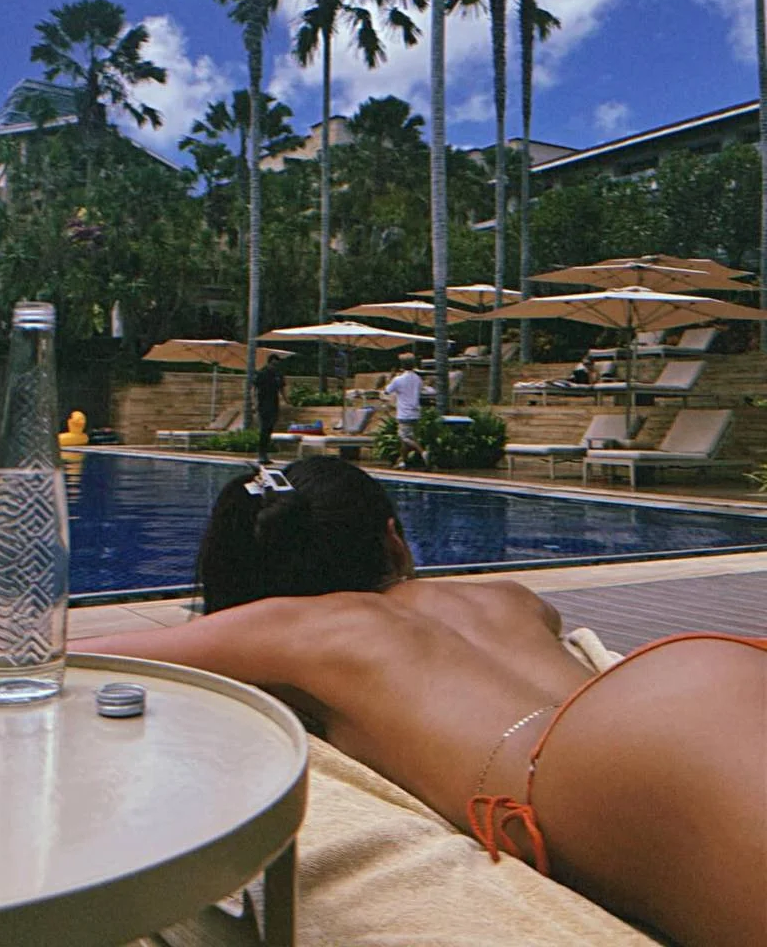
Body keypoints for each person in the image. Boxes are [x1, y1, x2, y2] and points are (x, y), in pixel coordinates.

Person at [81, 458, 766, 947]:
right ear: (392, 540)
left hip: (589, 769)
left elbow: (75, 661)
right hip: (694, 676)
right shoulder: (506, 598)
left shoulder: (293, 628)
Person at [383, 354, 428, 469]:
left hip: (404, 413)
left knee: (404, 437)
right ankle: (402, 462)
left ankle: (422, 452)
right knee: (407, 439)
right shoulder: (417, 379)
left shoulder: (398, 380)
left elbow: (387, 391)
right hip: (416, 412)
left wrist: (391, 377)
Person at [254, 353, 286, 465]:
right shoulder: (262, 373)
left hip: (274, 404)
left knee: (270, 429)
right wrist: (254, 404)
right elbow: (255, 389)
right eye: (273, 364)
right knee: (264, 428)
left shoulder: (278, 374)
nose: (274, 366)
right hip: (263, 404)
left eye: (276, 364)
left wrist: (287, 401)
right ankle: (261, 453)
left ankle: (265, 453)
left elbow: (282, 389)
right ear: (268, 363)